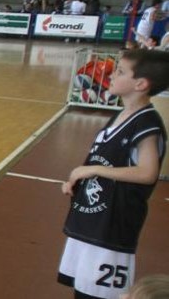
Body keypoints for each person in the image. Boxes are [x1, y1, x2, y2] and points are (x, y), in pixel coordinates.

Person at [59, 49, 169, 299]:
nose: (111, 74)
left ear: (140, 84)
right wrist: (77, 179)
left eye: (120, 71)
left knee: (97, 296)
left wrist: (93, 169)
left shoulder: (146, 123)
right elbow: (102, 158)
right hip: (91, 222)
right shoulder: (120, 115)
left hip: (111, 228)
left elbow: (147, 172)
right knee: (82, 291)